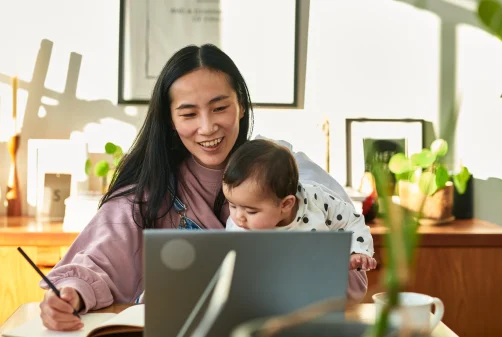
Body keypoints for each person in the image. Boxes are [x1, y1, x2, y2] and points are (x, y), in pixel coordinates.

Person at [38, 44, 369, 332]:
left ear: (241, 104)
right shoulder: (146, 193)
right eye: (188, 113)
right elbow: (94, 263)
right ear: (170, 119)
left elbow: (351, 272)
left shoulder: (294, 173)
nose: (207, 127)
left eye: (220, 107)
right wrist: (69, 294)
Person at [223, 139, 377, 271]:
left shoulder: (316, 200)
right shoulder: (239, 230)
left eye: (251, 211)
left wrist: (357, 252)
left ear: (286, 204)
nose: (238, 217)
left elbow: (351, 220)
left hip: (318, 286)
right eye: (233, 206)